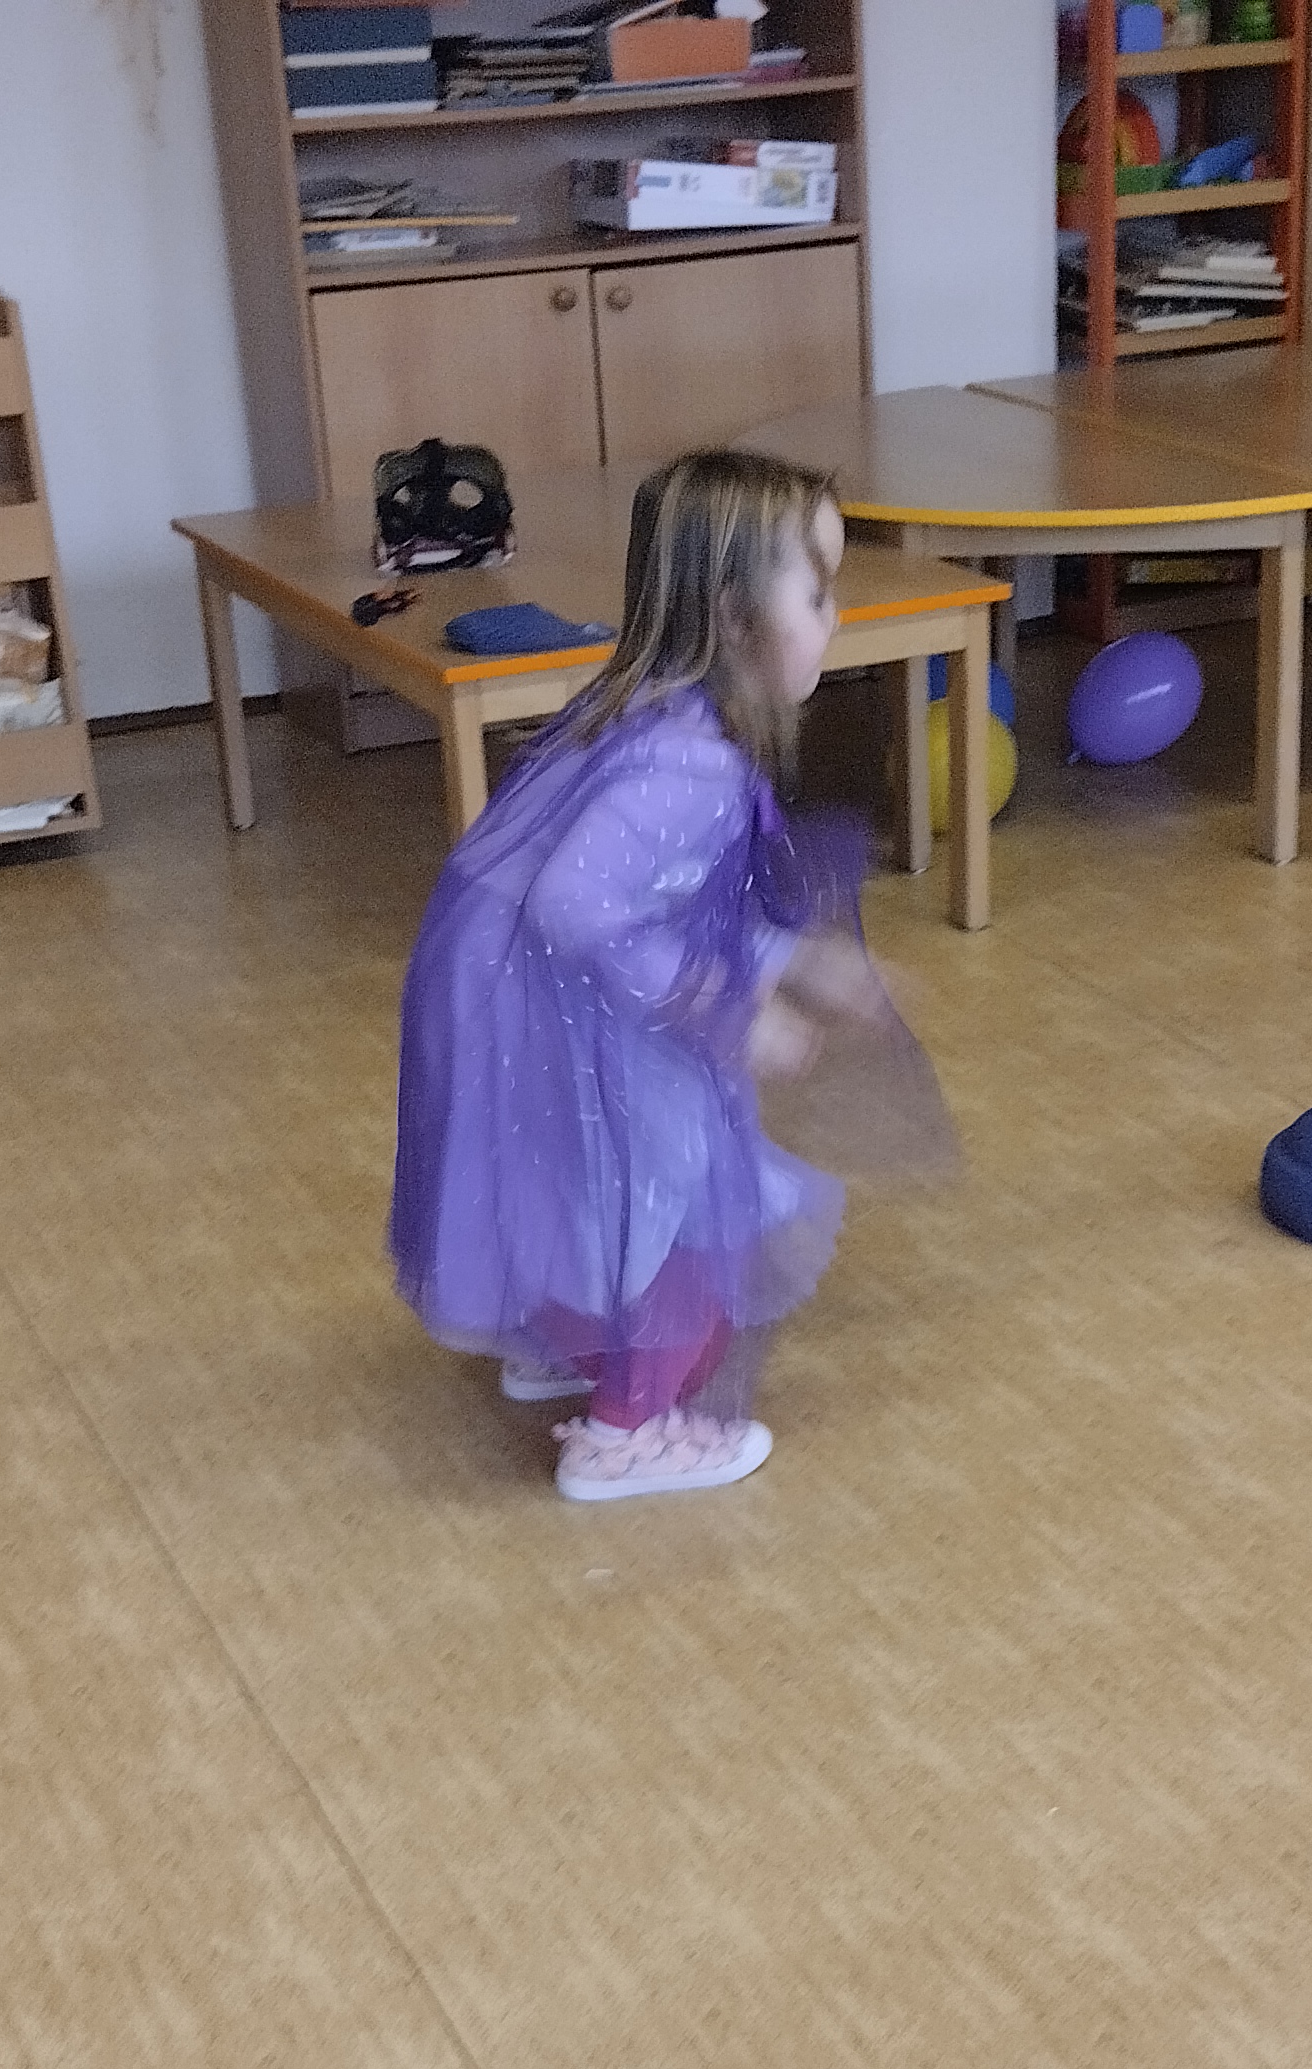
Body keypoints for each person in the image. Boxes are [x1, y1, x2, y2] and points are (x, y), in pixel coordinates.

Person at [388, 448, 952, 1503]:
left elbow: (672, 897)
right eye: (816, 594)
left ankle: (561, 1338)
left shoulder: (649, 705)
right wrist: (730, 1008)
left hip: (515, 986)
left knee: (575, 1174)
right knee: (676, 1194)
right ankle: (625, 1433)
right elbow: (578, 903)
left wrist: (798, 960)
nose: (836, 618)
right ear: (736, 619)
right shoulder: (690, 763)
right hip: (549, 984)